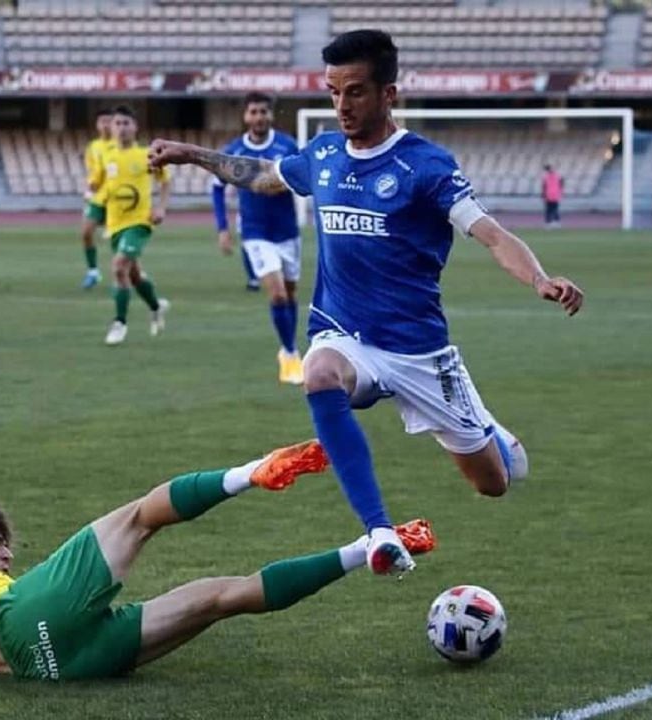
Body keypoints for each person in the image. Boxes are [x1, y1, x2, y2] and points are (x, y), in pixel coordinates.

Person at [148, 29, 584, 577]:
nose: (342, 105)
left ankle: (490, 431)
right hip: (344, 333)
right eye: (333, 91)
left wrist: (540, 278)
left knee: (493, 483)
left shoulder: (425, 166)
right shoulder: (324, 153)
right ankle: (379, 531)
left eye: (355, 92)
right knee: (319, 372)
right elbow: (261, 176)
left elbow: (491, 233)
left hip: (419, 352)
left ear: (388, 94)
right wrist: (189, 154)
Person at [0, 443, 435, 681]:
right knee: (139, 518)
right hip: (23, 620)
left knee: (219, 599)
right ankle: (251, 473)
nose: (6, 553)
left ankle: (371, 549)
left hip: (61, 669)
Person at [211, 92, 304, 385]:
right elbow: (216, 187)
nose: (259, 116)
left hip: (287, 230)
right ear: (245, 116)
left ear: (270, 115)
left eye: (264, 111)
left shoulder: (287, 145)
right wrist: (223, 228)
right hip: (255, 231)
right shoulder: (234, 151)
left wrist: (282, 185)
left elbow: (303, 178)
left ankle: (288, 346)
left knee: (290, 294)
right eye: (254, 112)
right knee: (276, 293)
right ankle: (290, 353)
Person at [91, 105, 172, 346]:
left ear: (135, 127)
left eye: (127, 123)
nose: (122, 128)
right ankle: (156, 308)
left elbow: (165, 182)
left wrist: (161, 207)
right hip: (115, 225)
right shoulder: (106, 156)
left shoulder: (146, 154)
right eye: (118, 123)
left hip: (139, 223)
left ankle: (119, 322)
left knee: (118, 268)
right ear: (111, 127)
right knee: (133, 275)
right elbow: (101, 184)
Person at [80, 108, 115, 289]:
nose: (105, 125)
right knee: (86, 233)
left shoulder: (120, 145)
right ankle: (93, 271)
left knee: (118, 240)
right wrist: (89, 189)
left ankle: (126, 274)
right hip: (98, 197)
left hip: (116, 199)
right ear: (97, 124)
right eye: (102, 121)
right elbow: (92, 172)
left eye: (109, 121)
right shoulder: (93, 147)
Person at [542, 164, 563, 228]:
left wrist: (560, 193)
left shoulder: (557, 176)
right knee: (549, 209)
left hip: (555, 195)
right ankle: (548, 222)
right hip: (549, 195)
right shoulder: (546, 177)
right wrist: (544, 195)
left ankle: (556, 222)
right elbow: (544, 186)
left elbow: (561, 185)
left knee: (554, 209)